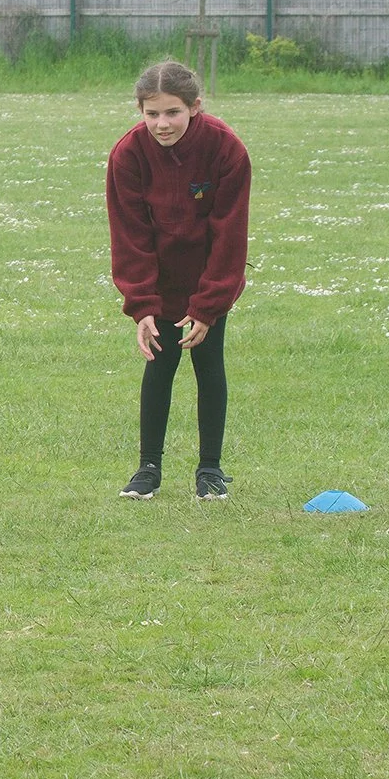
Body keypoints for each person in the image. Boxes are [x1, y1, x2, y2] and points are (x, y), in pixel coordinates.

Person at [106, 60, 251, 501]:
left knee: (209, 364)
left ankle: (210, 471)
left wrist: (208, 305)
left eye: (172, 112)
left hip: (209, 276)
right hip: (157, 278)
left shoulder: (226, 149)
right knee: (160, 363)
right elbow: (130, 235)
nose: (162, 124)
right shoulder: (128, 154)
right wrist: (142, 305)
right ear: (140, 111)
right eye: (152, 114)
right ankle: (148, 470)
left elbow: (229, 234)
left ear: (195, 106)